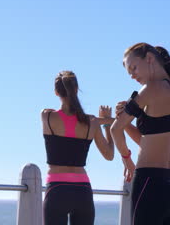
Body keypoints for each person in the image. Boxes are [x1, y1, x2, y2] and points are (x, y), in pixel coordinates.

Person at [111, 43, 170, 225]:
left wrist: (127, 159)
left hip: (149, 184)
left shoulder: (150, 89)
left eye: (133, 67)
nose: (132, 75)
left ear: (149, 58)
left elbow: (114, 129)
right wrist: (125, 123)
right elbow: (147, 141)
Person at [41, 70, 115, 225]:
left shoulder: (47, 116)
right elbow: (109, 155)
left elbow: (67, 117)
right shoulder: (92, 122)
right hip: (82, 191)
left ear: (56, 92)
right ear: (76, 89)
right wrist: (107, 124)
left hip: (57, 189)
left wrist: (103, 120)